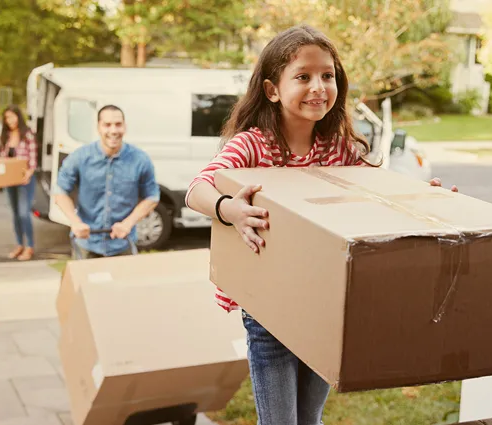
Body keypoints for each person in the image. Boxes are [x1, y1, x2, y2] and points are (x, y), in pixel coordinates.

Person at [184, 25, 458, 425]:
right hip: (269, 308)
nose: (318, 86)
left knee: (309, 420)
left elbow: (380, 196)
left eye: (327, 75)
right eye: (303, 76)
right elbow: (197, 188)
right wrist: (229, 208)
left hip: (325, 304)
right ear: (272, 89)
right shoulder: (253, 145)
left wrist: (426, 199)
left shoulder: (340, 149)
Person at [54, 104, 160, 259]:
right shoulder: (79, 157)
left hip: (123, 244)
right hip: (86, 245)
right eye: (107, 125)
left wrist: (128, 223)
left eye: (118, 124)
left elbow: (152, 197)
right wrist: (75, 222)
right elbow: (60, 191)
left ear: (125, 126)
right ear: (98, 127)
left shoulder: (140, 160)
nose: (113, 130)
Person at [0, 105, 38, 261]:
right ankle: (19, 244)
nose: (10, 121)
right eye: (7, 118)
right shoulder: (5, 136)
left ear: (18, 117)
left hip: (25, 180)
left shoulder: (27, 134)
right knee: (15, 213)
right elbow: (2, 158)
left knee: (24, 213)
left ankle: (29, 246)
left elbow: (33, 159)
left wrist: (28, 173)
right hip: (10, 180)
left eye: (12, 117)